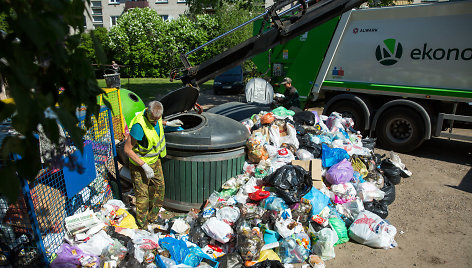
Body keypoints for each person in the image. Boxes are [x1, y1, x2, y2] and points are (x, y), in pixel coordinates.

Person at [124, 101, 183, 228]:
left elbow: (158, 124)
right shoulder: (139, 126)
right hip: (139, 166)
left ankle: (152, 218)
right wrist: (143, 165)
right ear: (148, 112)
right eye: (153, 119)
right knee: (142, 197)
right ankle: (143, 225)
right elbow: (127, 149)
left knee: (159, 189)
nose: (156, 122)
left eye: (158, 119)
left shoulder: (156, 116)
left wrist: (168, 123)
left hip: (155, 161)